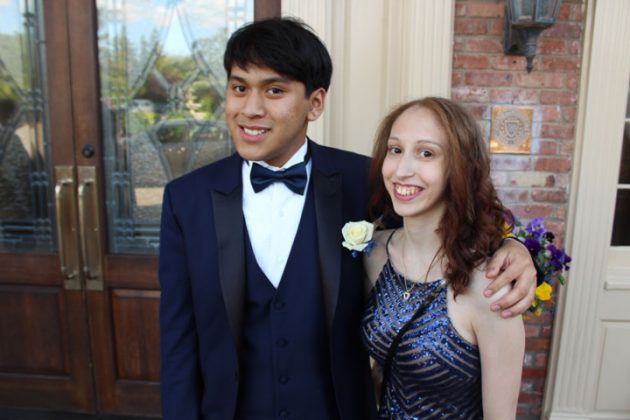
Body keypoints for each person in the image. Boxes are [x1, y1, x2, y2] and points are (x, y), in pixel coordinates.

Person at [159, 18, 534, 420]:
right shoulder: (186, 199)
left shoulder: (368, 179)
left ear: (315, 103)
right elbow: (178, 340)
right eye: (239, 88)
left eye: (274, 90)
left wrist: (514, 248)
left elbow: (453, 216)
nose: (250, 109)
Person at [361, 97, 526, 419]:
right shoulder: (372, 253)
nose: (402, 170)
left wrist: (515, 246)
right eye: (395, 149)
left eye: (426, 153)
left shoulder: (490, 289)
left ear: (459, 168)